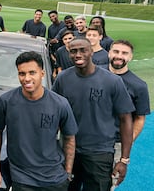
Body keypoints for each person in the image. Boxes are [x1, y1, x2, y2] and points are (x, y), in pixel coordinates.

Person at [51, 38, 135, 191]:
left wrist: (124, 159)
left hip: (99, 154)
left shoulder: (113, 81)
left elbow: (126, 119)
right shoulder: (63, 79)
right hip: (68, 152)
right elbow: (52, 112)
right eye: (73, 51)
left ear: (91, 51)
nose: (78, 54)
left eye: (83, 50)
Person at [0, 51, 78, 190]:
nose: (26, 78)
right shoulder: (6, 101)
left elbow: (70, 138)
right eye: (22, 74)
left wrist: (68, 172)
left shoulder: (60, 104)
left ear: (42, 73)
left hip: (55, 179)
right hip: (22, 179)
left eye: (32, 72)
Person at [108, 40, 151, 189]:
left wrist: (127, 141)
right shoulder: (95, 74)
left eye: (124, 53)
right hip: (88, 139)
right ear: (109, 53)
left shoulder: (139, 86)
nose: (119, 56)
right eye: (116, 51)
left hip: (116, 144)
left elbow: (140, 118)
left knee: (108, 184)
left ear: (130, 57)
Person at [47, 10, 66, 77]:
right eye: (50, 17)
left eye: (53, 16)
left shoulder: (64, 25)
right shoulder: (50, 28)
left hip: (64, 51)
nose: (52, 18)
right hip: (55, 52)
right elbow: (49, 40)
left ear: (57, 15)